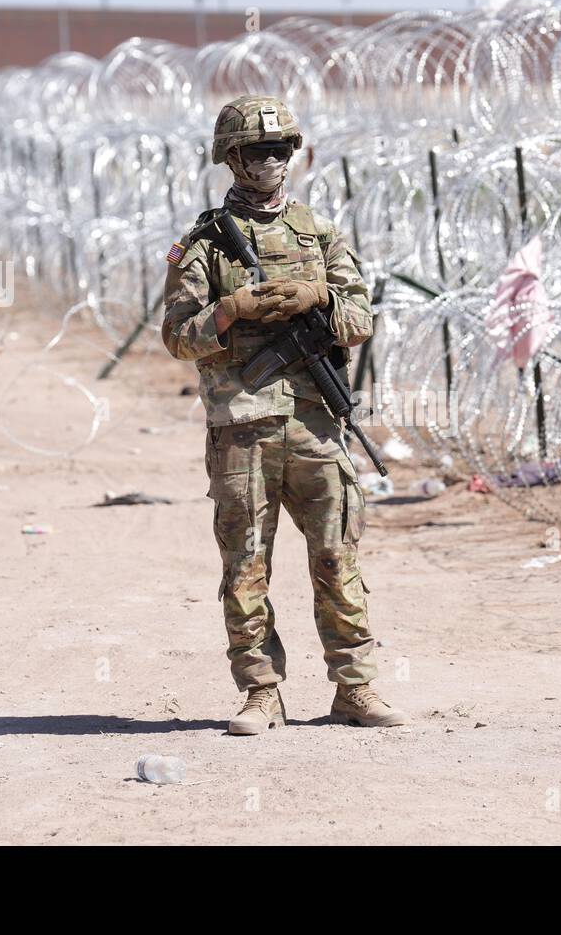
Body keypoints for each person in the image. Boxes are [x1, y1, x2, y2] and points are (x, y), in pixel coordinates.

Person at [161, 95, 407, 735]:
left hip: (315, 422)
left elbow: (360, 320)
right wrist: (232, 311)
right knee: (246, 566)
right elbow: (177, 337)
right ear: (232, 158)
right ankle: (261, 694)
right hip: (241, 424)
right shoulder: (203, 246)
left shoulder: (317, 234)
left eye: (280, 149)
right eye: (256, 151)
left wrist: (318, 297)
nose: (270, 161)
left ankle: (355, 688)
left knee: (337, 557)